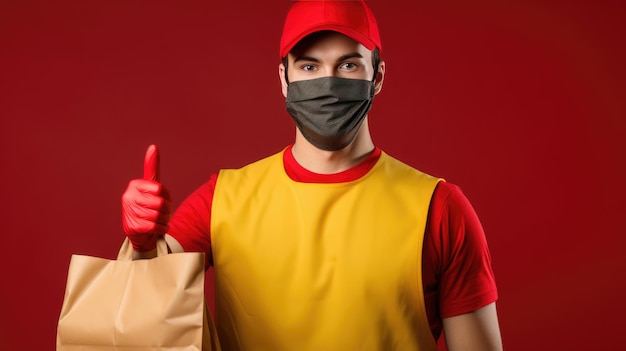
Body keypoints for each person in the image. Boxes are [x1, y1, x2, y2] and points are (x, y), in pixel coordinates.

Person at [121, 1, 503, 350]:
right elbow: (142, 307)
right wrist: (141, 244)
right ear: (284, 79)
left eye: (348, 65)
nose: (328, 82)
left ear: (378, 76)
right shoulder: (222, 200)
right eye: (309, 66)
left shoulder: (439, 209)